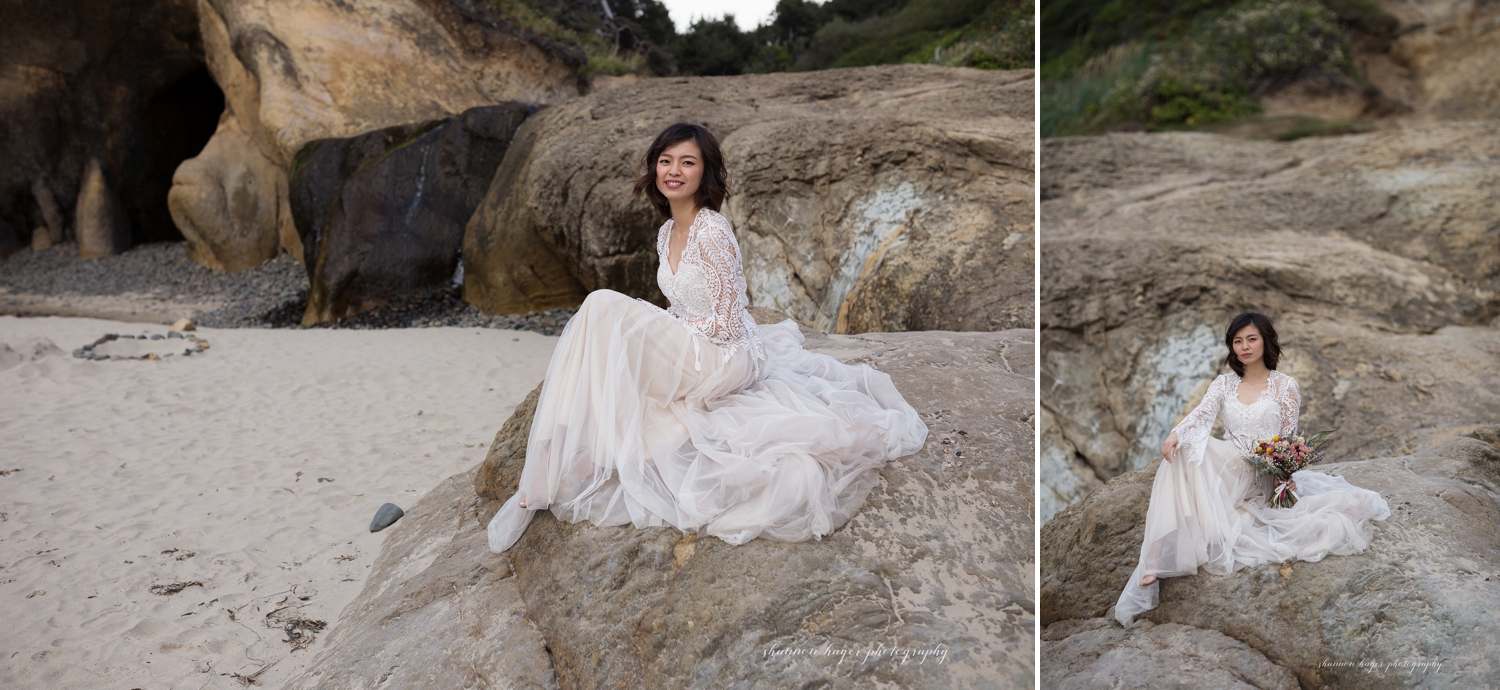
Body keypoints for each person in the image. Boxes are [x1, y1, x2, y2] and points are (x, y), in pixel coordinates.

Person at [486, 123, 928, 554]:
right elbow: (681, 306)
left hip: (726, 355)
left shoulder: (712, 230)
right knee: (608, 337)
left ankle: (563, 456)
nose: (674, 171)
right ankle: (574, 453)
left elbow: (730, 323)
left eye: (687, 162)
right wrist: (660, 326)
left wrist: (660, 327)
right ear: (654, 169)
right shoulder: (666, 232)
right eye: (666, 161)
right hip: (699, 344)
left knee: (602, 306)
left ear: (705, 172)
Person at [1114, 312, 1390, 627]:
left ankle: (1196, 529)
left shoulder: (1285, 386)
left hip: (1262, 469)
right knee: (1183, 451)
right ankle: (1155, 555)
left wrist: (1285, 476)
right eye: (1237, 341)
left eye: (1251, 339)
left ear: (1265, 341)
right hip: (1229, 461)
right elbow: (1202, 414)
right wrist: (1176, 433)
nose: (1244, 346)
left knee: (1239, 510)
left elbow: (1287, 440)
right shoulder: (1224, 383)